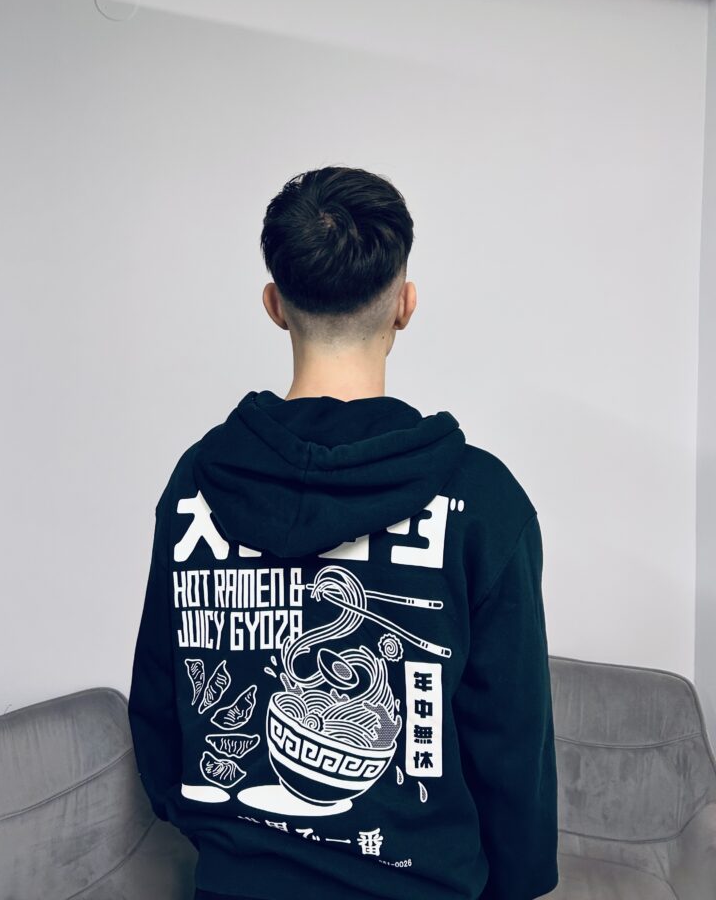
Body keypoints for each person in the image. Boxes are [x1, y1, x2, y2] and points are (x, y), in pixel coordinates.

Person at [128, 166, 559, 900]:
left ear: (274, 305)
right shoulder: (481, 502)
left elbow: (159, 703)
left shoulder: (197, 484)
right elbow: (512, 745)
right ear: (405, 305)